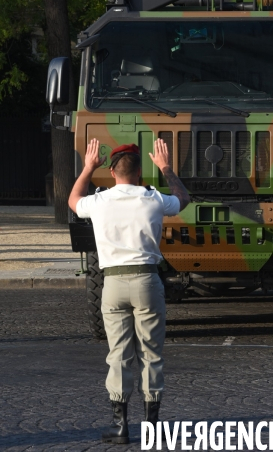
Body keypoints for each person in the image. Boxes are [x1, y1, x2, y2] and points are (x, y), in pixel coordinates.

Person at [68, 138, 190, 445]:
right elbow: (183, 198)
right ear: (139, 172)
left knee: (118, 355)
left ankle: (119, 425)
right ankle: (150, 428)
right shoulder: (152, 199)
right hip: (147, 281)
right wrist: (166, 168)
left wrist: (87, 168)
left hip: (112, 283)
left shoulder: (100, 201)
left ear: (112, 172)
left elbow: (73, 200)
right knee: (151, 354)